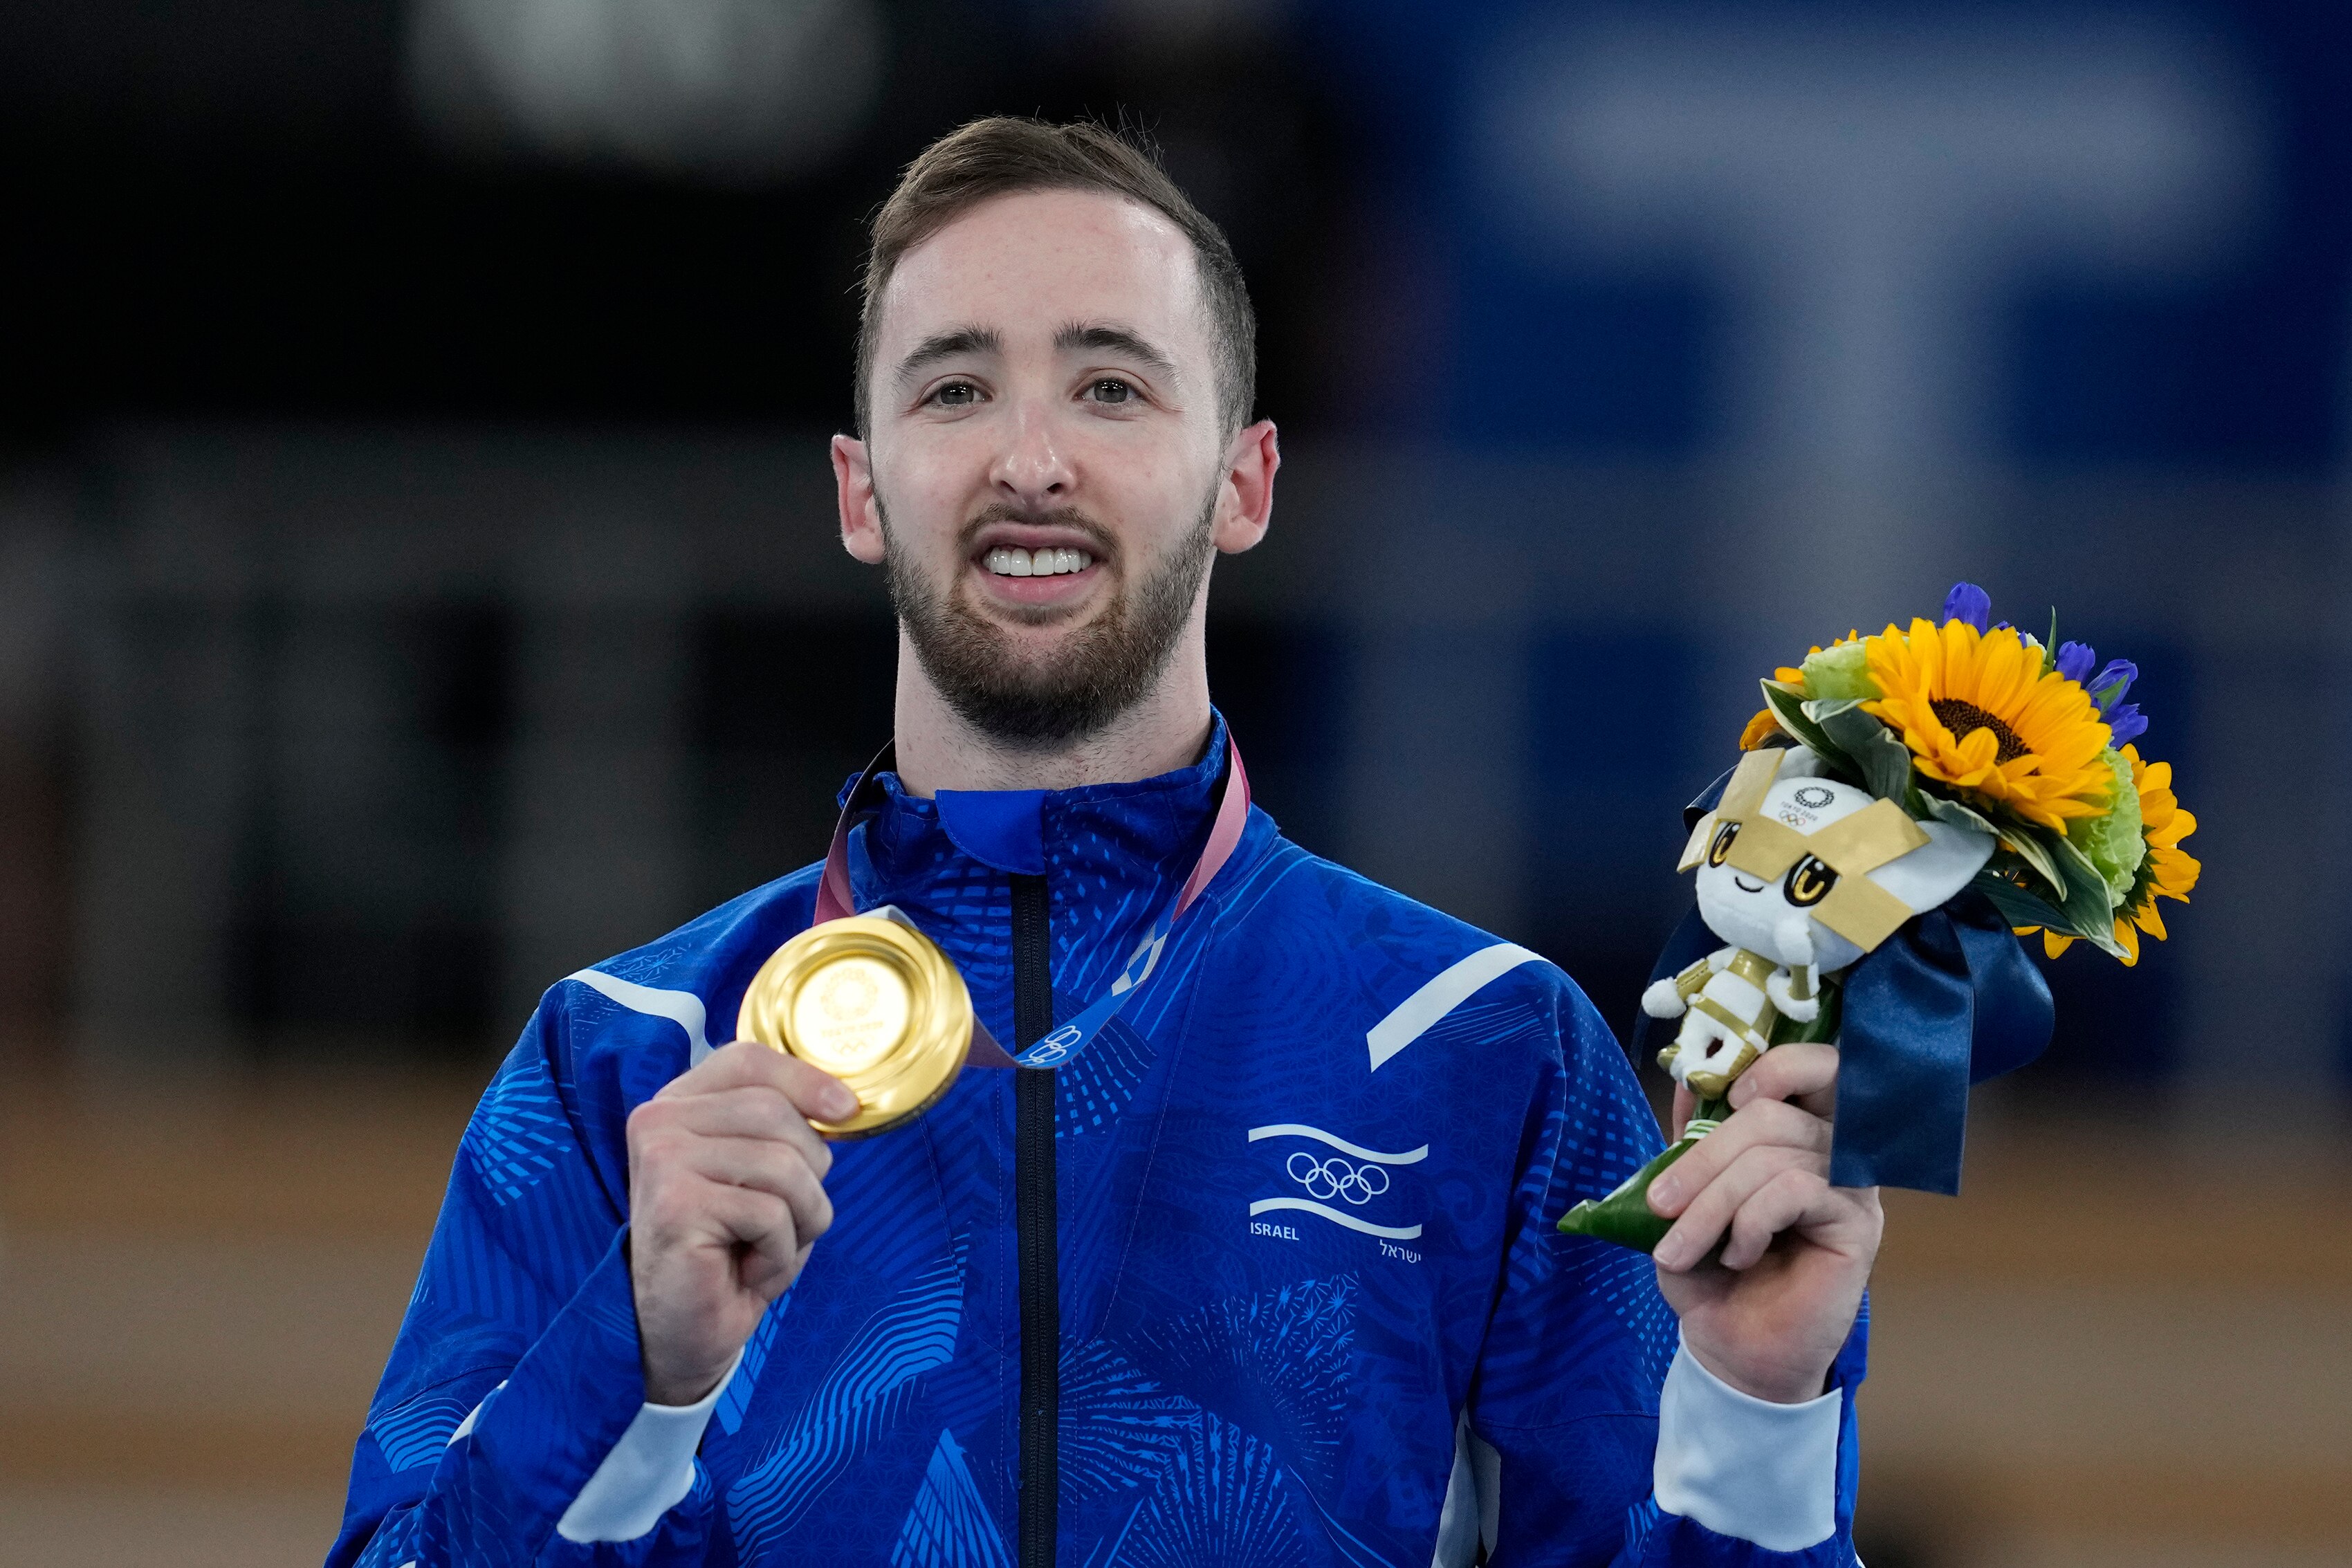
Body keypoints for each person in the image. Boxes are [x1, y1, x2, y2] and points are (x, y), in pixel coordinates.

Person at [330, 118, 1882, 1568]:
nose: (1028, 460)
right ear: (860, 492)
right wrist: (633, 1368)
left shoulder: (1483, 1050)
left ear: (1246, 481)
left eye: (1110, 387)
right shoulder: (628, 1057)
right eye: (952, 388)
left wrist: (1750, 1416)